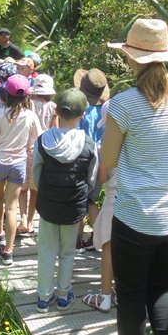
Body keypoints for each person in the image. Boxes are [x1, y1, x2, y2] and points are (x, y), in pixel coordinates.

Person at [91, 19, 168, 335]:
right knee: (160, 287)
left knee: (132, 293)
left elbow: (108, 161)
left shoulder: (123, 105)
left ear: (130, 57)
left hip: (137, 218)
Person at [33, 88, 99, 312]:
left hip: (48, 205)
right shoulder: (88, 144)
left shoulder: (43, 141)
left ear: (57, 112)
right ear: (82, 115)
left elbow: (36, 174)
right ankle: (63, 296)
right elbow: (91, 179)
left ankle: (43, 297)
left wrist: (46, 192)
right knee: (68, 252)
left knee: (46, 251)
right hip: (73, 206)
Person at [0, 74, 42, 266]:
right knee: (12, 207)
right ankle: (8, 251)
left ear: (5, 95)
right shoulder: (30, 116)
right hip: (19, 164)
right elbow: (37, 138)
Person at [82, 100, 116, 312]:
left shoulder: (108, 143)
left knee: (108, 248)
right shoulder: (140, 138)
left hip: (115, 199)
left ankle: (105, 296)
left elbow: (102, 177)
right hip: (138, 201)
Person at [73, 68, 110, 253]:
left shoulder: (82, 110)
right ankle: (96, 236)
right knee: (91, 200)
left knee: (81, 200)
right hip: (102, 160)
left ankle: (78, 240)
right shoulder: (105, 110)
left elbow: (76, 136)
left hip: (84, 160)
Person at [19, 74, 58, 236]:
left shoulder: (27, 104)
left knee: (22, 189)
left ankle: (22, 218)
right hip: (42, 151)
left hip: (24, 149)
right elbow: (54, 130)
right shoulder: (53, 107)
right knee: (35, 190)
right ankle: (29, 221)